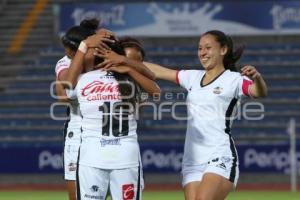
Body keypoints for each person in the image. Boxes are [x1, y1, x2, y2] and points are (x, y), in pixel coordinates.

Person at [97, 30, 268, 200]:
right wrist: (124, 61)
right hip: (192, 159)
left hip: (220, 154)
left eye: (208, 48)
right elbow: (158, 72)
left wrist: (257, 78)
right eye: (200, 48)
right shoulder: (193, 77)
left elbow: (258, 92)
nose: (203, 52)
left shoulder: (234, 79)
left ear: (223, 50)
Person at [64, 33, 160, 200]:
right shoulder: (130, 80)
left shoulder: (84, 80)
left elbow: (66, 88)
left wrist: (83, 45)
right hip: (125, 157)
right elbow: (156, 91)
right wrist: (127, 65)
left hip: (91, 157)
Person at [54, 18, 115, 200]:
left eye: (71, 50)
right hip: (78, 132)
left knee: (106, 192)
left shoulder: (105, 59)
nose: (67, 53)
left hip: (106, 132)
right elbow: (64, 94)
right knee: (76, 195)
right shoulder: (64, 63)